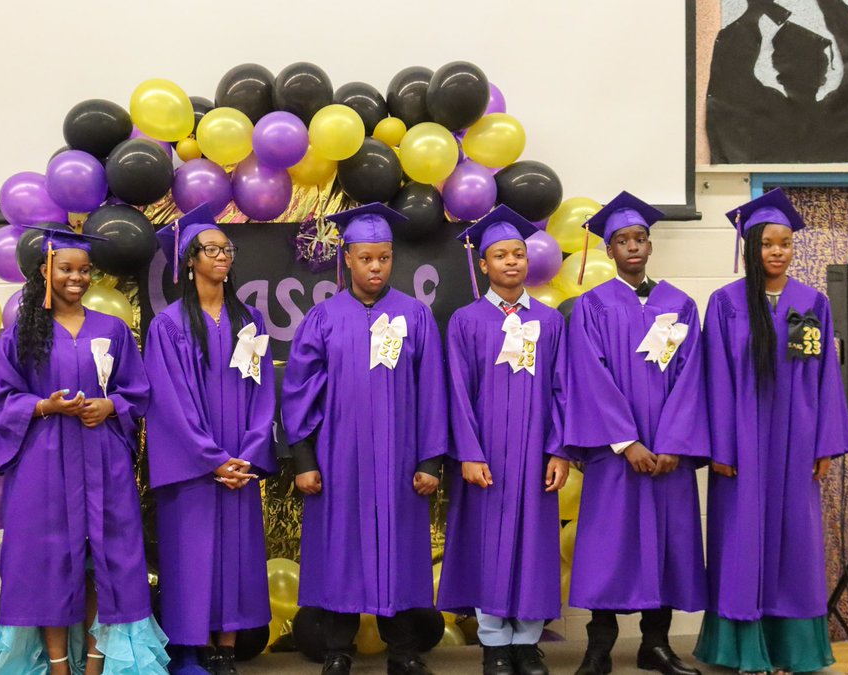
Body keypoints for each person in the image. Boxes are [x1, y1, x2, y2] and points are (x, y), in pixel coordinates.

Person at [0, 227, 168, 674]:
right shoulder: (21, 334)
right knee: (50, 564)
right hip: (44, 461)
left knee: (107, 560)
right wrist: (44, 405)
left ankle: (98, 660)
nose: (76, 278)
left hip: (103, 459)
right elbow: (1, 399)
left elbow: (137, 391)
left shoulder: (113, 330)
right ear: (46, 272)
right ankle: (59, 665)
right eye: (66, 269)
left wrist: (110, 404)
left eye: (83, 270)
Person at [694, 189, 848, 674]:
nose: (778, 251)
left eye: (785, 243)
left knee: (796, 542)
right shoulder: (724, 304)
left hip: (796, 441)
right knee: (741, 541)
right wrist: (721, 445)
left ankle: (792, 651)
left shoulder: (813, 303)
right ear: (750, 248)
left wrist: (826, 442)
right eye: (768, 243)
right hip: (741, 446)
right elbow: (714, 379)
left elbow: (825, 375)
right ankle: (742, 650)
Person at [281, 203, 447, 675]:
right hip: (339, 457)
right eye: (366, 258)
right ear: (347, 259)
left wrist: (431, 460)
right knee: (341, 548)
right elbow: (298, 391)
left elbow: (434, 392)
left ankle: (404, 651)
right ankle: (338, 650)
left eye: (385, 258)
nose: (376, 267)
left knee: (400, 547)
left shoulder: (414, 316)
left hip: (400, 458)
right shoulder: (323, 318)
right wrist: (305, 457)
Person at [563, 193, 709, 675]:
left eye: (640, 239)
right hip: (617, 455)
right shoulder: (591, 307)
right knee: (609, 548)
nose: (632, 247)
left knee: (666, 544)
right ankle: (600, 647)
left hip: (668, 454)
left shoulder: (681, 305)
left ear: (650, 245)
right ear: (609, 250)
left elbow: (692, 378)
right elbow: (589, 376)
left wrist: (671, 443)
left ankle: (656, 645)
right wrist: (628, 442)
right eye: (622, 240)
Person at [436, 206, 569, 675]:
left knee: (533, 545)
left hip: (535, 455)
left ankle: (527, 643)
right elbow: (455, 392)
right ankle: (494, 642)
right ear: (483, 264)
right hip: (487, 456)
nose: (511, 262)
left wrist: (559, 451)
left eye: (518, 253)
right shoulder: (466, 321)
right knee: (487, 544)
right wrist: (469, 453)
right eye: (500, 255)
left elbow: (562, 389)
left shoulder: (550, 323)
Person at [145, 206, 276, 675]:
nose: (223, 257)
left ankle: (225, 649)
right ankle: (192, 649)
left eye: (227, 249)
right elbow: (171, 403)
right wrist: (212, 459)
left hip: (239, 464)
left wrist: (248, 455)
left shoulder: (250, 322)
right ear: (189, 260)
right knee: (193, 557)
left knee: (237, 558)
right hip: (195, 470)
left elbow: (264, 395)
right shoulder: (169, 326)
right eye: (212, 249)